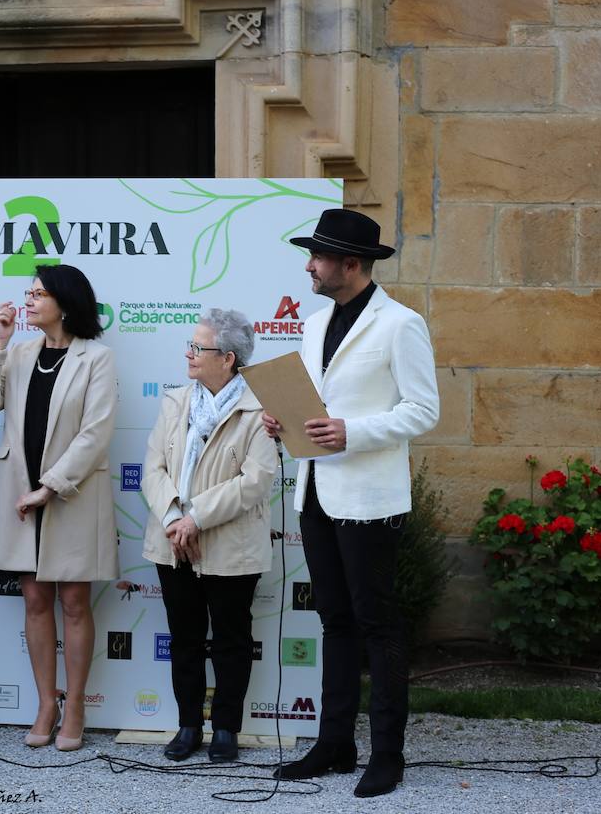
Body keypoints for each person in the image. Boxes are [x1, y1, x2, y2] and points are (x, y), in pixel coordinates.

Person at [265, 209, 439, 797]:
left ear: (350, 264)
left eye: (316, 256)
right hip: (314, 491)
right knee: (335, 622)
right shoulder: (314, 325)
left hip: (369, 497)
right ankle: (335, 743)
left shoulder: (401, 324)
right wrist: (281, 420)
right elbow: (315, 404)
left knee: (378, 625)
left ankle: (388, 754)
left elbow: (423, 410)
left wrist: (352, 432)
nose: (308, 266)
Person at [0, 264, 116, 752]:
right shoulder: (20, 352)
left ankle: (74, 704)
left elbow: (95, 435)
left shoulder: (97, 358)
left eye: (38, 294)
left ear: (66, 302)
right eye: (27, 293)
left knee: (74, 602)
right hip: (19, 492)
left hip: (70, 494)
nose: (28, 301)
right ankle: (45, 703)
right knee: (35, 600)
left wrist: (50, 487)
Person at [140, 307, 276, 763]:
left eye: (199, 348)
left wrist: (196, 517)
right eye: (190, 345)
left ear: (229, 359)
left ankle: (226, 730)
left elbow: (255, 481)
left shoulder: (260, 410)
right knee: (185, 638)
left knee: (232, 640)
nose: (190, 353)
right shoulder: (174, 401)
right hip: (173, 542)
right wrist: (178, 517)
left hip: (230, 547)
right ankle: (187, 726)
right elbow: (152, 470)